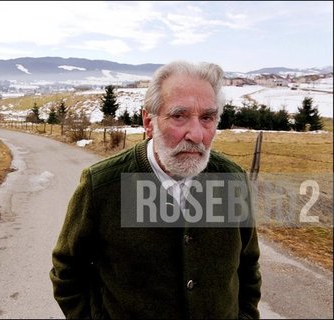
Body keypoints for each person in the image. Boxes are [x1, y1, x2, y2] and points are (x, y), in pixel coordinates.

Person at [49, 60, 262, 319]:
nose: (196, 134)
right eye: (179, 116)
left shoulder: (233, 180)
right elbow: (67, 270)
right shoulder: (102, 186)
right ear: (149, 122)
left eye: (207, 118)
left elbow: (248, 268)